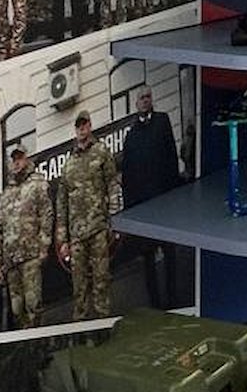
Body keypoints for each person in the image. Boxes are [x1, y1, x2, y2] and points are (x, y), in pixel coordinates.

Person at [57, 110, 124, 321]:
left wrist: (116, 220)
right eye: (78, 126)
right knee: (79, 284)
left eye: (84, 125)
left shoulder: (101, 152)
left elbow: (113, 185)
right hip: (76, 234)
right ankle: (81, 326)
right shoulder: (68, 163)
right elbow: (62, 203)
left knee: (101, 278)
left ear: (90, 126)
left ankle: (103, 323)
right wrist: (63, 240)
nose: (81, 129)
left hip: (98, 228)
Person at [119, 88, 182, 308]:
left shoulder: (162, 122)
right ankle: (155, 303)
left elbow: (171, 157)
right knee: (148, 257)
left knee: (169, 252)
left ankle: (173, 299)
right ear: (136, 104)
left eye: (148, 97)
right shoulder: (131, 135)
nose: (145, 101)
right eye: (141, 98)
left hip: (163, 202)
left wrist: (174, 193)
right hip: (143, 208)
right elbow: (128, 175)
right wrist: (130, 211)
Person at [0, 147, 51, 329]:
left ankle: (37, 341)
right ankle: (24, 342)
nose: (16, 162)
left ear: (26, 159)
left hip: (31, 254)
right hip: (11, 260)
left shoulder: (37, 183)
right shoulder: (7, 192)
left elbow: (46, 215)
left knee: (33, 304)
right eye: (14, 159)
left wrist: (44, 246)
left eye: (20, 158)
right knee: (17, 309)